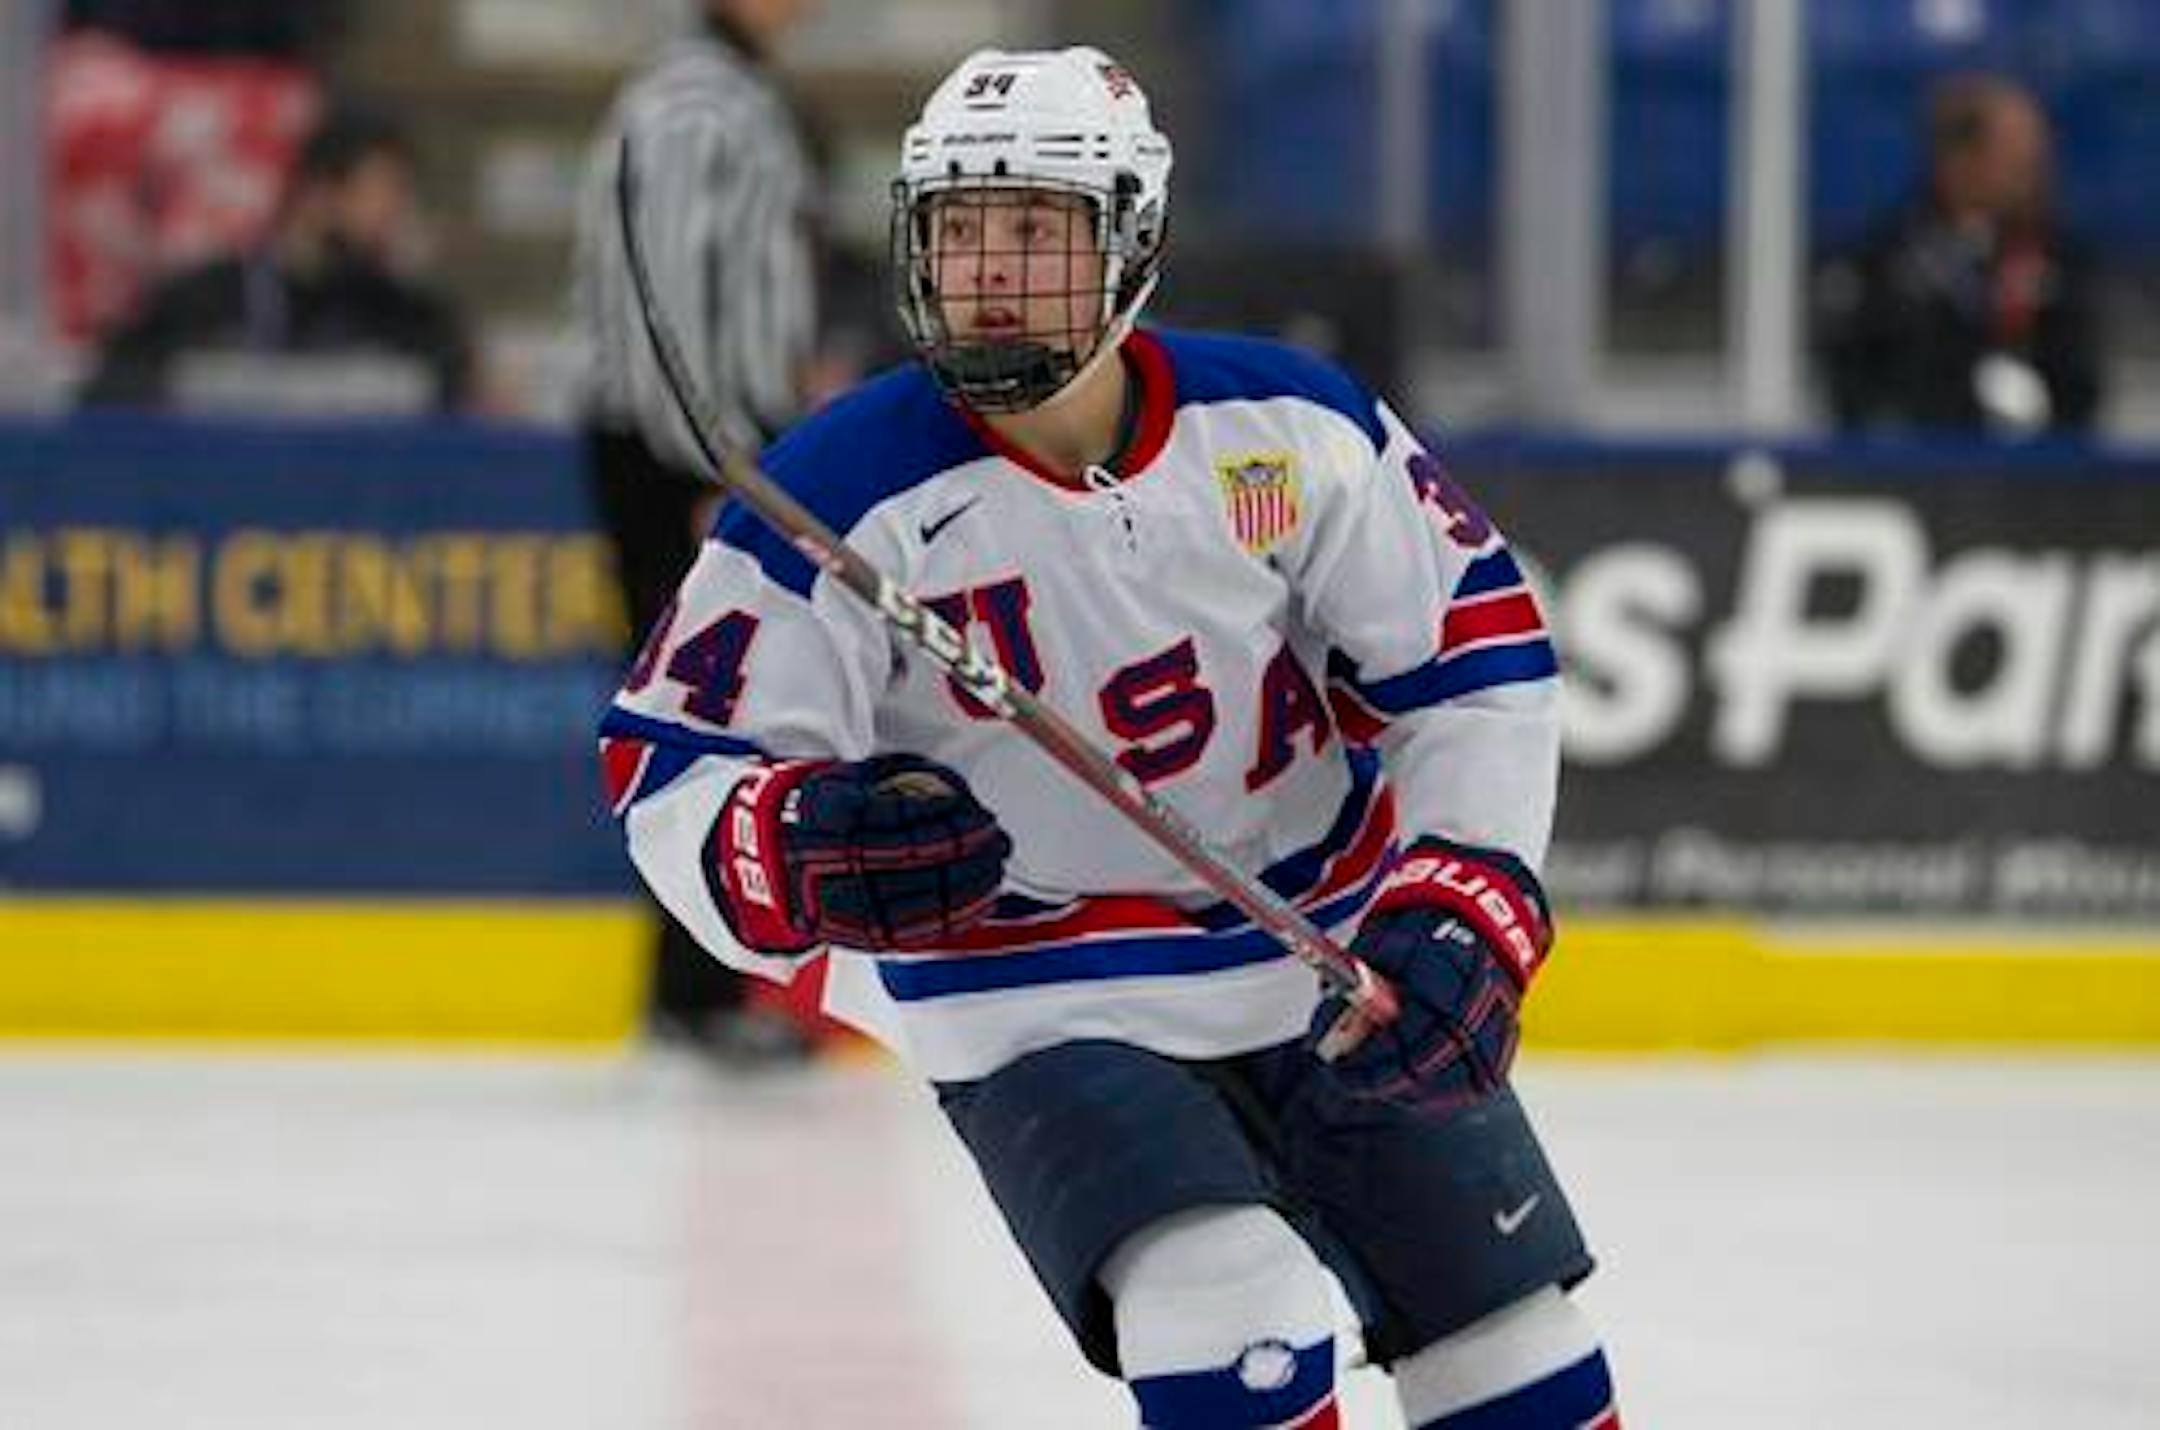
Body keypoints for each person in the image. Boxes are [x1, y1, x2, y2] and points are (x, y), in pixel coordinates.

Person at [600, 46, 1621, 1428]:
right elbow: (671, 763)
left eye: (1034, 229)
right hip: (1033, 991)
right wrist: (795, 844)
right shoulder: (839, 491)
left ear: (1131, 237)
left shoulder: (1290, 426)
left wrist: (1467, 893)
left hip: (1317, 944)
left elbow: (1475, 660)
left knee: (1510, 1344)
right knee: (1229, 1292)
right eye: (960, 232)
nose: (991, 272)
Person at [571, 0, 825, 1068]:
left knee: (727, 708)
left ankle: (705, 982)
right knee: (706, 713)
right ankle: (693, 988)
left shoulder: (718, 98)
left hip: (699, 450)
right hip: (686, 457)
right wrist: (714, 465)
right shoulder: (694, 108)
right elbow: (674, 307)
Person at [79, 102, 475, 415]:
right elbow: (110, 397)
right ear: (318, 193)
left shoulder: (411, 321)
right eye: (381, 191)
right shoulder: (204, 302)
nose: (393, 213)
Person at [1817, 72, 2103, 436]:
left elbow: (2081, 387)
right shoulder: (1880, 265)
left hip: (2039, 479)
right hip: (1917, 474)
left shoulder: (2061, 259)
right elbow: (1859, 393)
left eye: (2036, 157)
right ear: (1958, 159)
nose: (2034, 172)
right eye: (2015, 158)